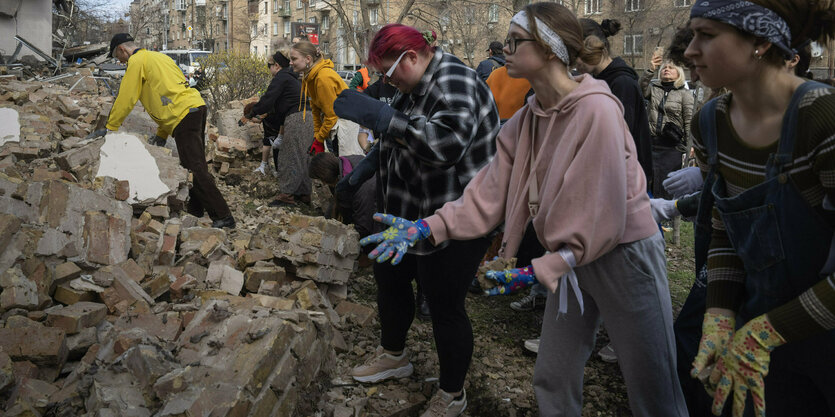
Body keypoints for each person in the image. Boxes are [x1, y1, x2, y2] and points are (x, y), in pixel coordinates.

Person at [356, 4, 688, 416]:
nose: (506, 50)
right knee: (552, 375)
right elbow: (487, 193)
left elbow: (601, 217)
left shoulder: (597, 110)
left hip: (624, 253)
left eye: (516, 42)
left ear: (549, 50)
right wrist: (428, 227)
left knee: (653, 386)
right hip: (569, 259)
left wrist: (538, 270)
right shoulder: (528, 118)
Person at [331, 24, 499, 417]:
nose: (389, 83)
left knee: (443, 304)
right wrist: (359, 174)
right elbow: (392, 142)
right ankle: (394, 355)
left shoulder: (454, 81)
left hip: (452, 216)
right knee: (389, 281)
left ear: (411, 57)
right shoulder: (411, 85)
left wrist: (386, 118)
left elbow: (446, 145)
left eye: (389, 73)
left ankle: (452, 393)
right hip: (403, 209)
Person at [684, 1, 835, 416]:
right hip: (762, 328)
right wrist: (719, 310)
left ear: (761, 42)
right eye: (693, 34)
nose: (689, 51)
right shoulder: (711, 123)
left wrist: (768, 332)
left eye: (707, 35)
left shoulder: (822, 118)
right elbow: (726, 228)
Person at [90, 33, 234, 229]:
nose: (118, 60)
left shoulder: (136, 62)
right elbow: (166, 95)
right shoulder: (158, 57)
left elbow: (126, 97)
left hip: (183, 115)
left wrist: (110, 128)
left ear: (123, 50)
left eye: (117, 56)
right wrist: (161, 134)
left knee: (195, 168)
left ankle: (224, 216)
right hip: (196, 107)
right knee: (193, 163)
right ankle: (196, 210)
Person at [577, 18, 653, 191]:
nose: (576, 61)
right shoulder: (598, 81)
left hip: (628, 182)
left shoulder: (621, 83)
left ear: (594, 45)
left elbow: (619, 140)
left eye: (578, 53)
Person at [641, 56, 694, 200]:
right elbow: (640, 88)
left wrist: (690, 146)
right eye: (664, 67)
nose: (666, 70)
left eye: (671, 68)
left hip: (671, 147)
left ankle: (668, 217)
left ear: (679, 73)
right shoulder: (654, 89)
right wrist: (650, 69)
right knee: (648, 181)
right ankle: (649, 212)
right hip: (651, 143)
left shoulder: (685, 94)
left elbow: (689, 121)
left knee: (666, 184)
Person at [242, 51, 298, 176]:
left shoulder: (281, 78)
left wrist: (250, 114)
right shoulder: (290, 77)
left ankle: (285, 181)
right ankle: (283, 177)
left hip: (294, 118)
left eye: (269, 66)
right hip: (295, 117)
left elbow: (268, 100)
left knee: (284, 152)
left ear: (277, 65)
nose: (269, 69)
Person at [289, 40, 347, 155]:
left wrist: (319, 139)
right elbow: (315, 110)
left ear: (308, 59)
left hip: (346, 126)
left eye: (294, 59)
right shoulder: (309, 77)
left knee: (345, 167)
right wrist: (317, 136)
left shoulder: (323, 77)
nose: (290, 62)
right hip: (335, 125)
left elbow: (331, 115)